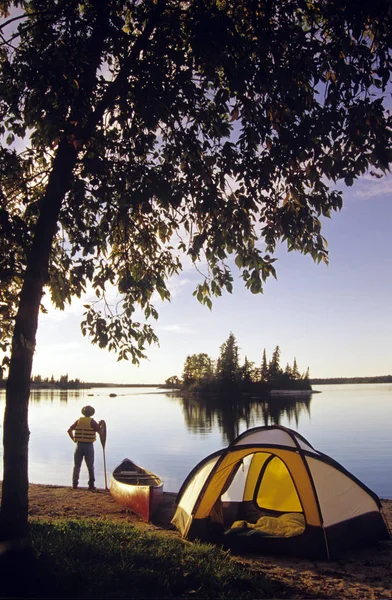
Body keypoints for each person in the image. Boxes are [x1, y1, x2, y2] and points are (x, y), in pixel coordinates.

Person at [67, 405, 102, 491]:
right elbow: (100, 432)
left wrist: (74, 440)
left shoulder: (79, 421)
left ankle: (74, 484)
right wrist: (101, 425)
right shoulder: (92, 422)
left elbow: (69, 431)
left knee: (77, 466)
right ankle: (91, 485)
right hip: (88, 446)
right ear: (92, 413)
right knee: (90, 466)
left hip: (79, 445)